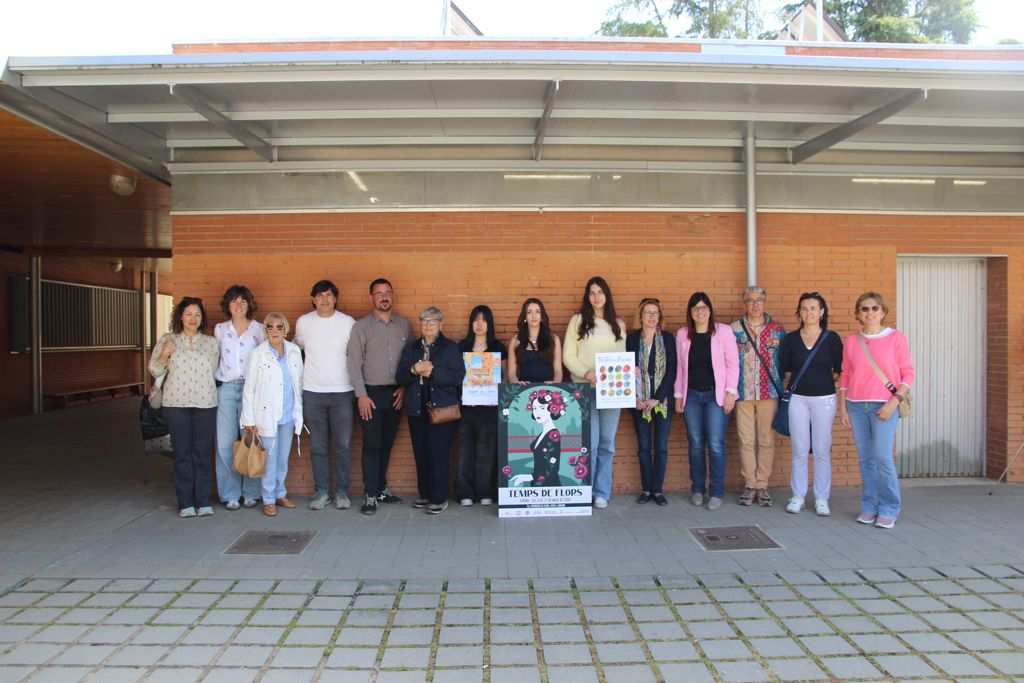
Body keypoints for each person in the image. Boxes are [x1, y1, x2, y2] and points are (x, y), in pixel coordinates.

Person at [838, 292, 915, 529]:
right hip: (856, 405)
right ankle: (869, 506)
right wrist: (843, 408)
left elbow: (908, 373)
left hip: (884, 405)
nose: (870, 312)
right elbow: (845, 375)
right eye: (864, 309)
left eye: (875, 308)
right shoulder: (852, 341)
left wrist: (894, 402)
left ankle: (889, 508)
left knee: (882, 457)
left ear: (883, 312)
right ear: (858, 314)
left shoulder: (896, 338)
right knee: (866, 459)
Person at [149, 297, 220, 519]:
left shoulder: (210, 343)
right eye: (188, 314)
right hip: (176, 403)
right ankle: (186, 503)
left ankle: (203, 501)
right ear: (180, 316)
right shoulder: (168, 339)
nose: (193, 318)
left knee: (202, 453)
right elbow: (154, 370)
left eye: (197, 314)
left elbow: (213, 370)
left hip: (205, 403)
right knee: (182, 454)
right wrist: (165, 354)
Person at [347, 278, 411, 516]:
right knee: (372, 445)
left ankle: (381, 488)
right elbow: (353, 363)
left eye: (388, 292)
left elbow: (410, 360)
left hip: (395, 394)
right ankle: (370, 494)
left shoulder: (404, 325)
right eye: (379, 293)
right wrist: (361, 396)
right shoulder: (361, 327)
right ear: (371, 298)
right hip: (370, 395)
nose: (384, 297)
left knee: (386, 443)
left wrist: (404, 387)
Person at [563, 276, 627, 509]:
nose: (596, 297)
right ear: (587, 296)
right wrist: (585, 372)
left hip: (612, 392)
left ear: (607, 295)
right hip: (585, 390)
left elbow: (621, 358)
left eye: (600, 292)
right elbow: (568, 355)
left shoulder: (618, 325)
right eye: (592, 292)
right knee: (588, 443)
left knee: (607, 444)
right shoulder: (578, 321)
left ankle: (601, 492)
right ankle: (584, 490)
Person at [397, 307, 466, 515]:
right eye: (424, 321)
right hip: (417, 409)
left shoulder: (450, 348)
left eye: (432, 321)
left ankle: (439, 498)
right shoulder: (412, 347)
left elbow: (457, 377)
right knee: (421, 454)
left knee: (439, 454)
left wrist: (433, 372)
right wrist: (413, 370)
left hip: (441, 409)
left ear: (440, 324)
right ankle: (425, 494)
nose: (428, 325)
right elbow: (400, 377)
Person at [780, 292, 844, 516]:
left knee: (821, 450)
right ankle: (797, 496)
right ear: (799, 312)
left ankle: (821, 498)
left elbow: (839, 370)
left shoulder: (832, 339)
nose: (809, 313)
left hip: (824, 399)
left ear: (822, 312)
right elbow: (786, 371)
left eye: (813, 308)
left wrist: (821, 383)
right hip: (798, 399)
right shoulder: (790, 339)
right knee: (799, 449)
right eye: (804, 309)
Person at [674, 292, 739, 511]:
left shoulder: (724, 332)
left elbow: (733, 364)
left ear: (710, 310)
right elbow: (680, 368)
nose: (700, 312)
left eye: (703, 307)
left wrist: (731, 392)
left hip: (716, 397)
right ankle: (697, 489)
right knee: (695, 443)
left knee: (716, 444)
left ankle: (717, 491)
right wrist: (678, 395)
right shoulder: (683, 335)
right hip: (691, 396)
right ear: (690, 312)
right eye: (695, 308)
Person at [295, 280, 356, 512]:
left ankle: (341, 492)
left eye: (329, 295)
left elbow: (355, 354)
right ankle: (321, 492)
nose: (324, 300)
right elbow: (297, 351)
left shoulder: (348, 322)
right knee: (318, 446)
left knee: (343, 445)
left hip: (343, 392)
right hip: (313, 392)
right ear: (313, 299)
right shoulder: (304, 322)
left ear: (335, 298)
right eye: (320, 296)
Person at [240, 313, 304, 517]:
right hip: (266, 415)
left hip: (288, 414)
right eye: (270, 327)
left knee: (283, 459)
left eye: (279, 326)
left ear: (285, 329)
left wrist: (299, 412)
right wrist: (249, 419)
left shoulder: (294, 351)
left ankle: (280, 493)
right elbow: (249, 388)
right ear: (265, 330)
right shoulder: (258, 354)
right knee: (269, 460)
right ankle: (268, 499)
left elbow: (298, 383)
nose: (275, 330)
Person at [730, 286, 786, 508]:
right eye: (750, 300)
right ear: (744, 303)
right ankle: (750, 484)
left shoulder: (777, 330)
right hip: (742, 392)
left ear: (764, 302)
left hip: (768, 392)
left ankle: (762, 484)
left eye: (759, 300)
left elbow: (785, 362)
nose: (755, 305)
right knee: (745, 440)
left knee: (766, 440)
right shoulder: (734, 329)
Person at [213, 285, 266, 511]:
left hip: (251, 390)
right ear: (228, 305)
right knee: (225, 443)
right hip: (226, 388)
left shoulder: (259, 329)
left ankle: (251, 492)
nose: (238, 305)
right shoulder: (220, 330)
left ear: (249, 304)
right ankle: (230, 494)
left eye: (243, 301)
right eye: (234, 301)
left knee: (250, 440)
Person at [626, 298, 677, 506]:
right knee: (644, 447)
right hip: (638, 401)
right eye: (648, 312)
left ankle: (658, 490)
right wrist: (635, 397)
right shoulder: (631, 339)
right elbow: (624, 370)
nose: (652, 316)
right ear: (640, 316)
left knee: (661, 448)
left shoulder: (668, 338)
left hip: (661, 402)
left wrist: (657, 398)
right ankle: (646, 489)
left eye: (655, 313)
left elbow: (672, 370)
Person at [456, 305, 507, 507]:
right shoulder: (461, 347)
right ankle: (465, 493)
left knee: (487, 452)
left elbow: (504, 377)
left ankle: (486, 492)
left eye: (484, 320)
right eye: (475, 320)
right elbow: (455, 375)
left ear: (489, 323)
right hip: (466, 407)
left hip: (490, 407)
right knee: (465, 452)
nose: (479, 324)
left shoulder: (498, 348)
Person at [508, 298, 562, 384]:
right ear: (525, 317)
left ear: (542, 316)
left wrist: (555, 383)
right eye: (529, 312)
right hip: (524, 389)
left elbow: (558, 371)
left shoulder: (554, 339)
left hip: (548, 389)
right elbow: (511, 373)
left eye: (537, 312)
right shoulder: (516, 340)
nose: (534, 316)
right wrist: (516, 383)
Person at [528, 388, 566, 486]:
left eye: (542, 408)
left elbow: (553, 466)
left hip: (550, 484)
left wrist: (529, 477)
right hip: (539, 484)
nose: (537, 412)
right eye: (534, 408)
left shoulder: (554, 434)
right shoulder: (544, 432)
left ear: (553, 409)